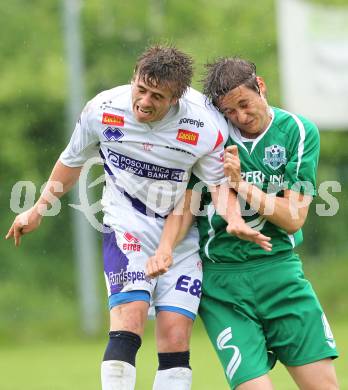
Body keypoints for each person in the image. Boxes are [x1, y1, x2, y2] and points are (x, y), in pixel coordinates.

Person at [6, 46, 270, 390]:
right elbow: (70, 161)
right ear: (133, 78)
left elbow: (217, 185)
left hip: (180, 230)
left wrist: (233, 218)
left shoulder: (205, 124)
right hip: (125, 220)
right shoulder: (102, 110)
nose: (144, 101)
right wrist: (38, 208)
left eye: (157, 96)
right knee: (130, 317)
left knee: (175, 336)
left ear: (176, 98)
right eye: (140, 89)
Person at [187, 57, 339, 389]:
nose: (240, 117)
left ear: (261, 86)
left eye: (245, 104)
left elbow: (294, 218)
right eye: (229, 112)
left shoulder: (296, 131)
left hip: (280, 272)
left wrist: (242, 186)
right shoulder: (211, 137)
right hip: (223, 283)